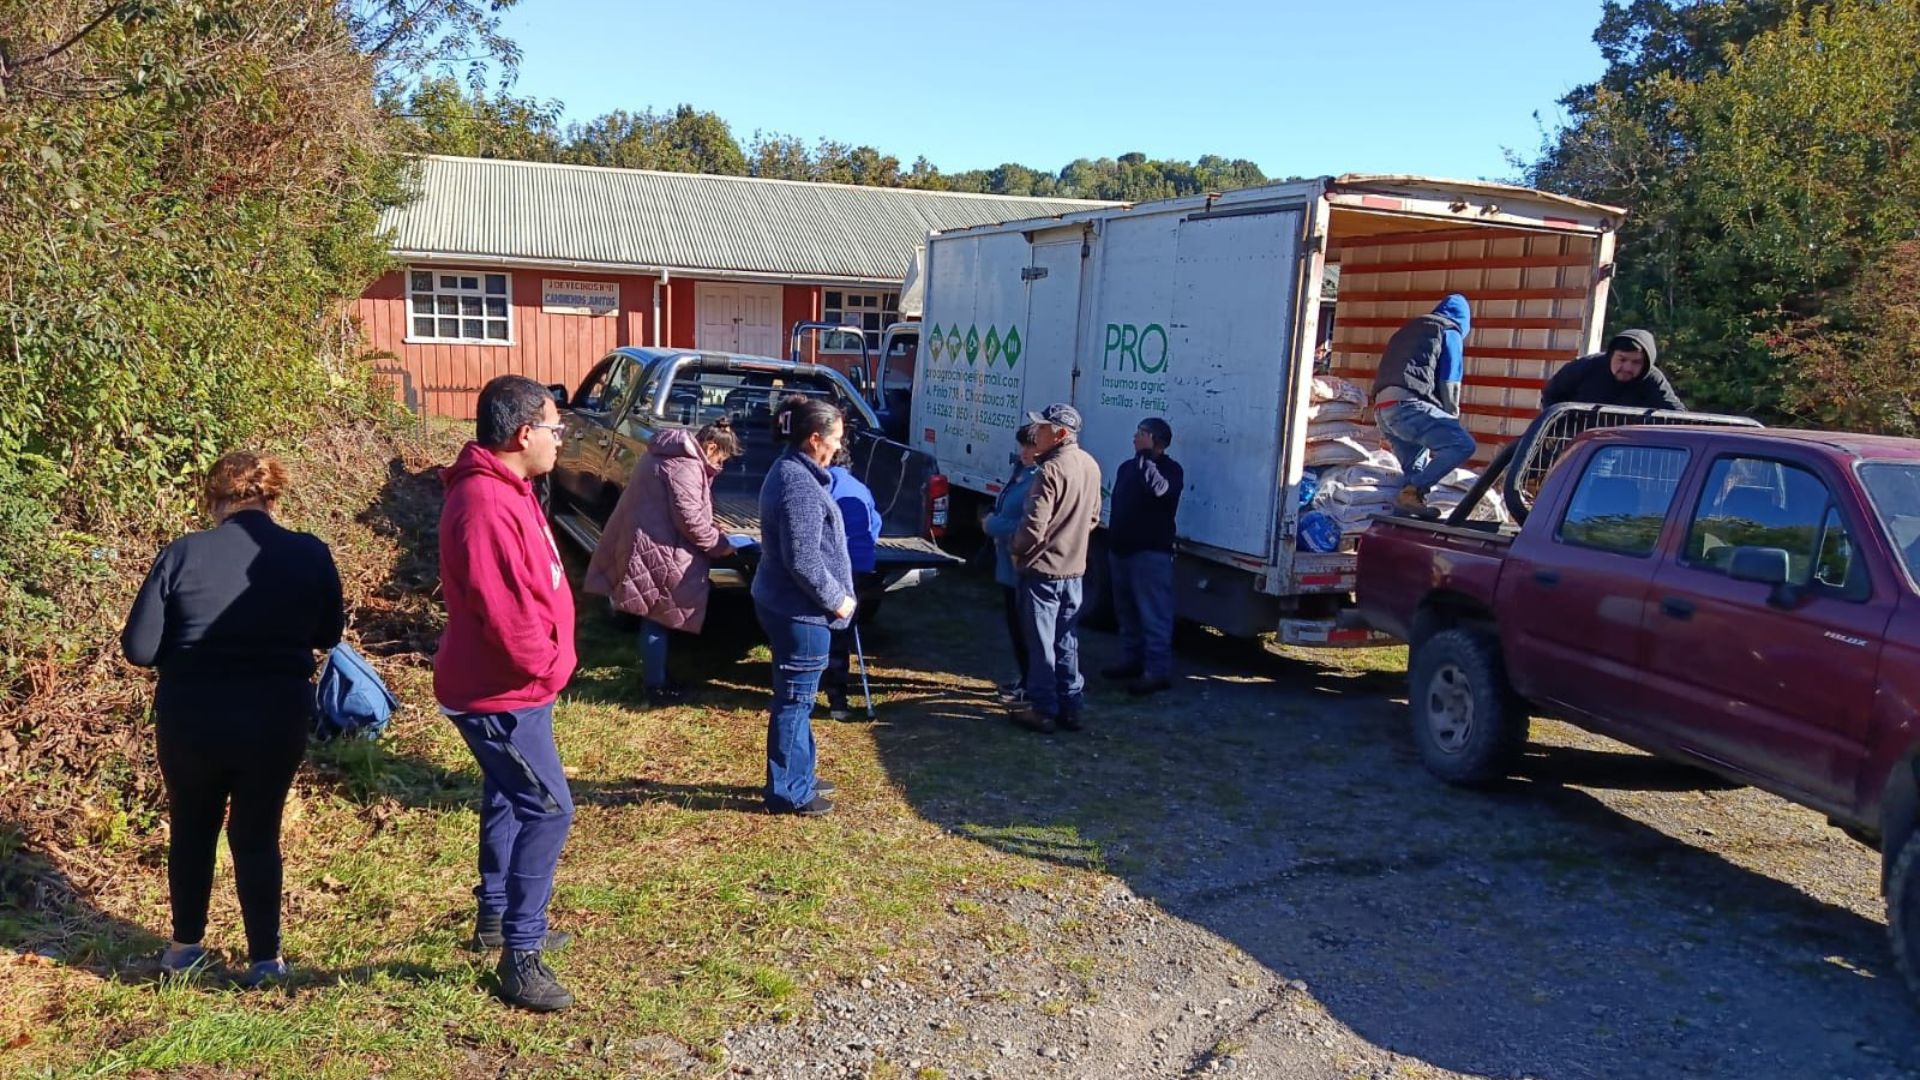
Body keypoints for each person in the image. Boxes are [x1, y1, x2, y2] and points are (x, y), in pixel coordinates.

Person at [121, 452, 344, 988]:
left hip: (192, 717)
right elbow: (328, 634)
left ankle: (183, 949)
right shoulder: (309, 553)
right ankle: (266, 959)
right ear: (273, 497)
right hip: (275, 716)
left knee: (192, 827)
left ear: (215, 498)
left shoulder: (181, 554)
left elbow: (139, 649)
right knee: (258, 834)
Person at [436, 374, 579, 1013]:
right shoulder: (484, 505)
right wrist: (548, 665)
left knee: (510, 798)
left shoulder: (512, 488)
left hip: (519, 690)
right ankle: (521, 955)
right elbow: (503, 615)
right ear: (524, 434)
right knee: (549, 809)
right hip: (501, 695)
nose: (560, 439)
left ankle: (496, 914)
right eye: (554, 428)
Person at [583, 420, 741, 706]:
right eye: (721, 458)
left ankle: (656, 678)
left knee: (654, 614)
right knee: (657, 616)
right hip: (659, 548)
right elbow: (689, 520)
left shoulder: (667, 454)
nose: (721, 465)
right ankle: (655, 686)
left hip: (646, 539)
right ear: (711, 446)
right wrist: (721, 544)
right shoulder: (685, 466)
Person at [751, 394, 857, 815]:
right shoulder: (798, 486)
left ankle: (800, 773)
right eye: (835, 439)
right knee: (795, 701)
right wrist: (838, 602)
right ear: (814, 439)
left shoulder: (792, 470)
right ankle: (788, 792)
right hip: (801, 611)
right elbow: (804, 560)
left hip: (786, 604)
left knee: (800, 697)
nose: (838, 447)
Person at [1008, 403, 1102, 735]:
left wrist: (1016, 550)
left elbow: (1033, 526)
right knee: (1066, 640)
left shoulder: (1050, 471)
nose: (1037, 433)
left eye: (1043, 428)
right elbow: (1093, 518)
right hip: (1074, 570)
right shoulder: (1090, 465)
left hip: (1043, 571)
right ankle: (1071, 706)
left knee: (1041, 643)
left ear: (1060, 434)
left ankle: (1043, 709)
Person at [1371, 293, 1478, 521]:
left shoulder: (1408, 330)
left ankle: (1403, 518)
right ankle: (1414, 492)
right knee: (1462, 445)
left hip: (1383, 408)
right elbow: (1450, 380)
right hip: (1408, 406)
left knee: (1415, 471)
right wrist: (1450, 419)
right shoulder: (1449, 330)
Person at [1103, 417, 1184, 697]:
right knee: (1126, 612)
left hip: (1150, 554)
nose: (1135, 438)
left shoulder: (1170, 470)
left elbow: (1159, 490)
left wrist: (1147, 457)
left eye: (1142, 434)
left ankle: (1156, 672)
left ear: (1156, 441)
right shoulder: (1127, 468)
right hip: (1121, 550)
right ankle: (1131, 660)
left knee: (1154, 615)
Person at [821, 442, 881, 721]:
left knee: (823, 629)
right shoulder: (860, 488)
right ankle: (838, 702)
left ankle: (826, 693)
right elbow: (875, 524)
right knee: (844, 632)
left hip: (835, 567)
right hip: (861, 568)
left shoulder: (823, 485)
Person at [983, 425, 1041, 704]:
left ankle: (1031, 685)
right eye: (1022, 446)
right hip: (1008, 565)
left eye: (1030, 446)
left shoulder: (1039, 479)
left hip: (1023, 566)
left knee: (1026, 629)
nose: (1024, 452)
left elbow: (1027, 524)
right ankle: (1024, 679)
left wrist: (993, 524)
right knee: (1015, 627)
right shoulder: (1021, 473)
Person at [1540, 329, 1684, 411]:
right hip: (1577, 440)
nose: (1627, 367)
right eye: (1622, 359)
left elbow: (1675, 413)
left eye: (1636, 362)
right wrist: (1555, 428)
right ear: (1611, 356)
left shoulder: (1652, 379)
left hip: (1627, 445)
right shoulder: (1584, 367)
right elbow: (1552, 394)